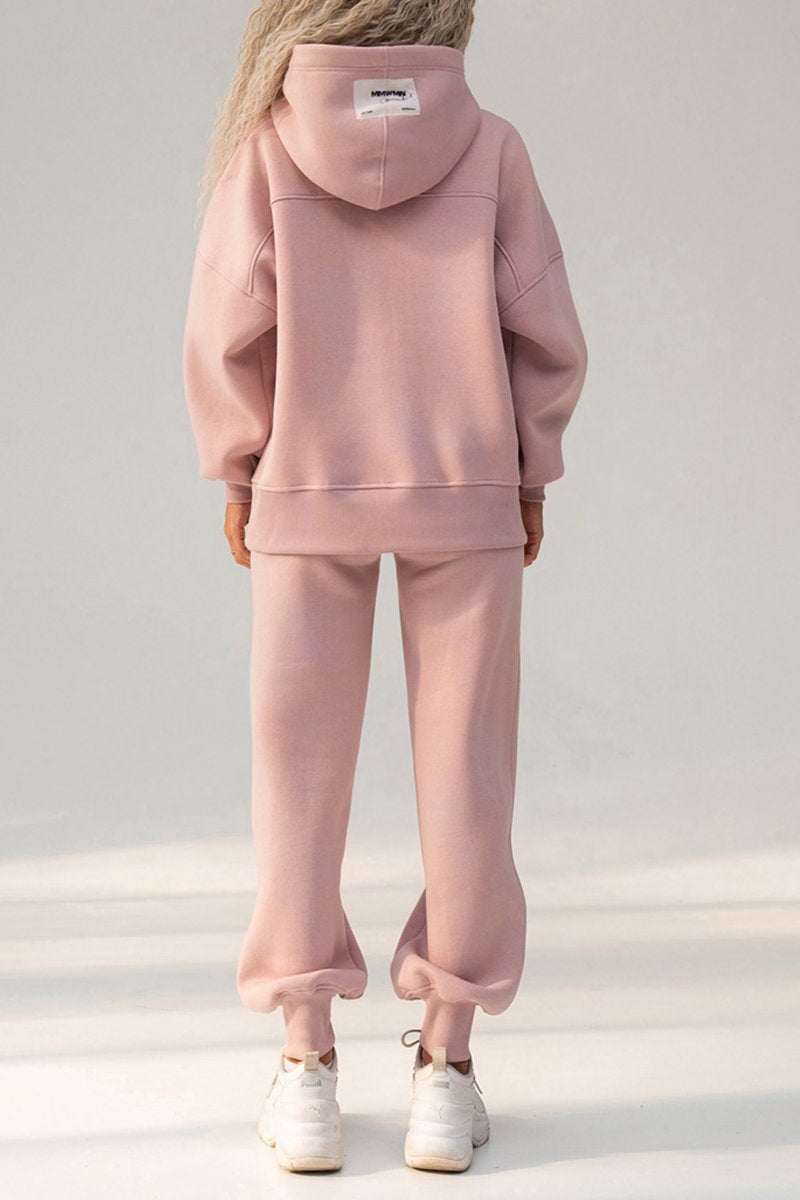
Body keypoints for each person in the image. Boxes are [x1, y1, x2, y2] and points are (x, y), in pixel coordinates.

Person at [182, 0, 588, 1175]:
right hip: (467, 489)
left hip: (305, 488)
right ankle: (445, 1071)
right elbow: (544, 328)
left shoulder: (267, 147)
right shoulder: (491, 146)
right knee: (467, 774)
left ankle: (306, 1061)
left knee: (295, 775)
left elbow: (226, 323)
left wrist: (239, 465)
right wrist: (530, 468)